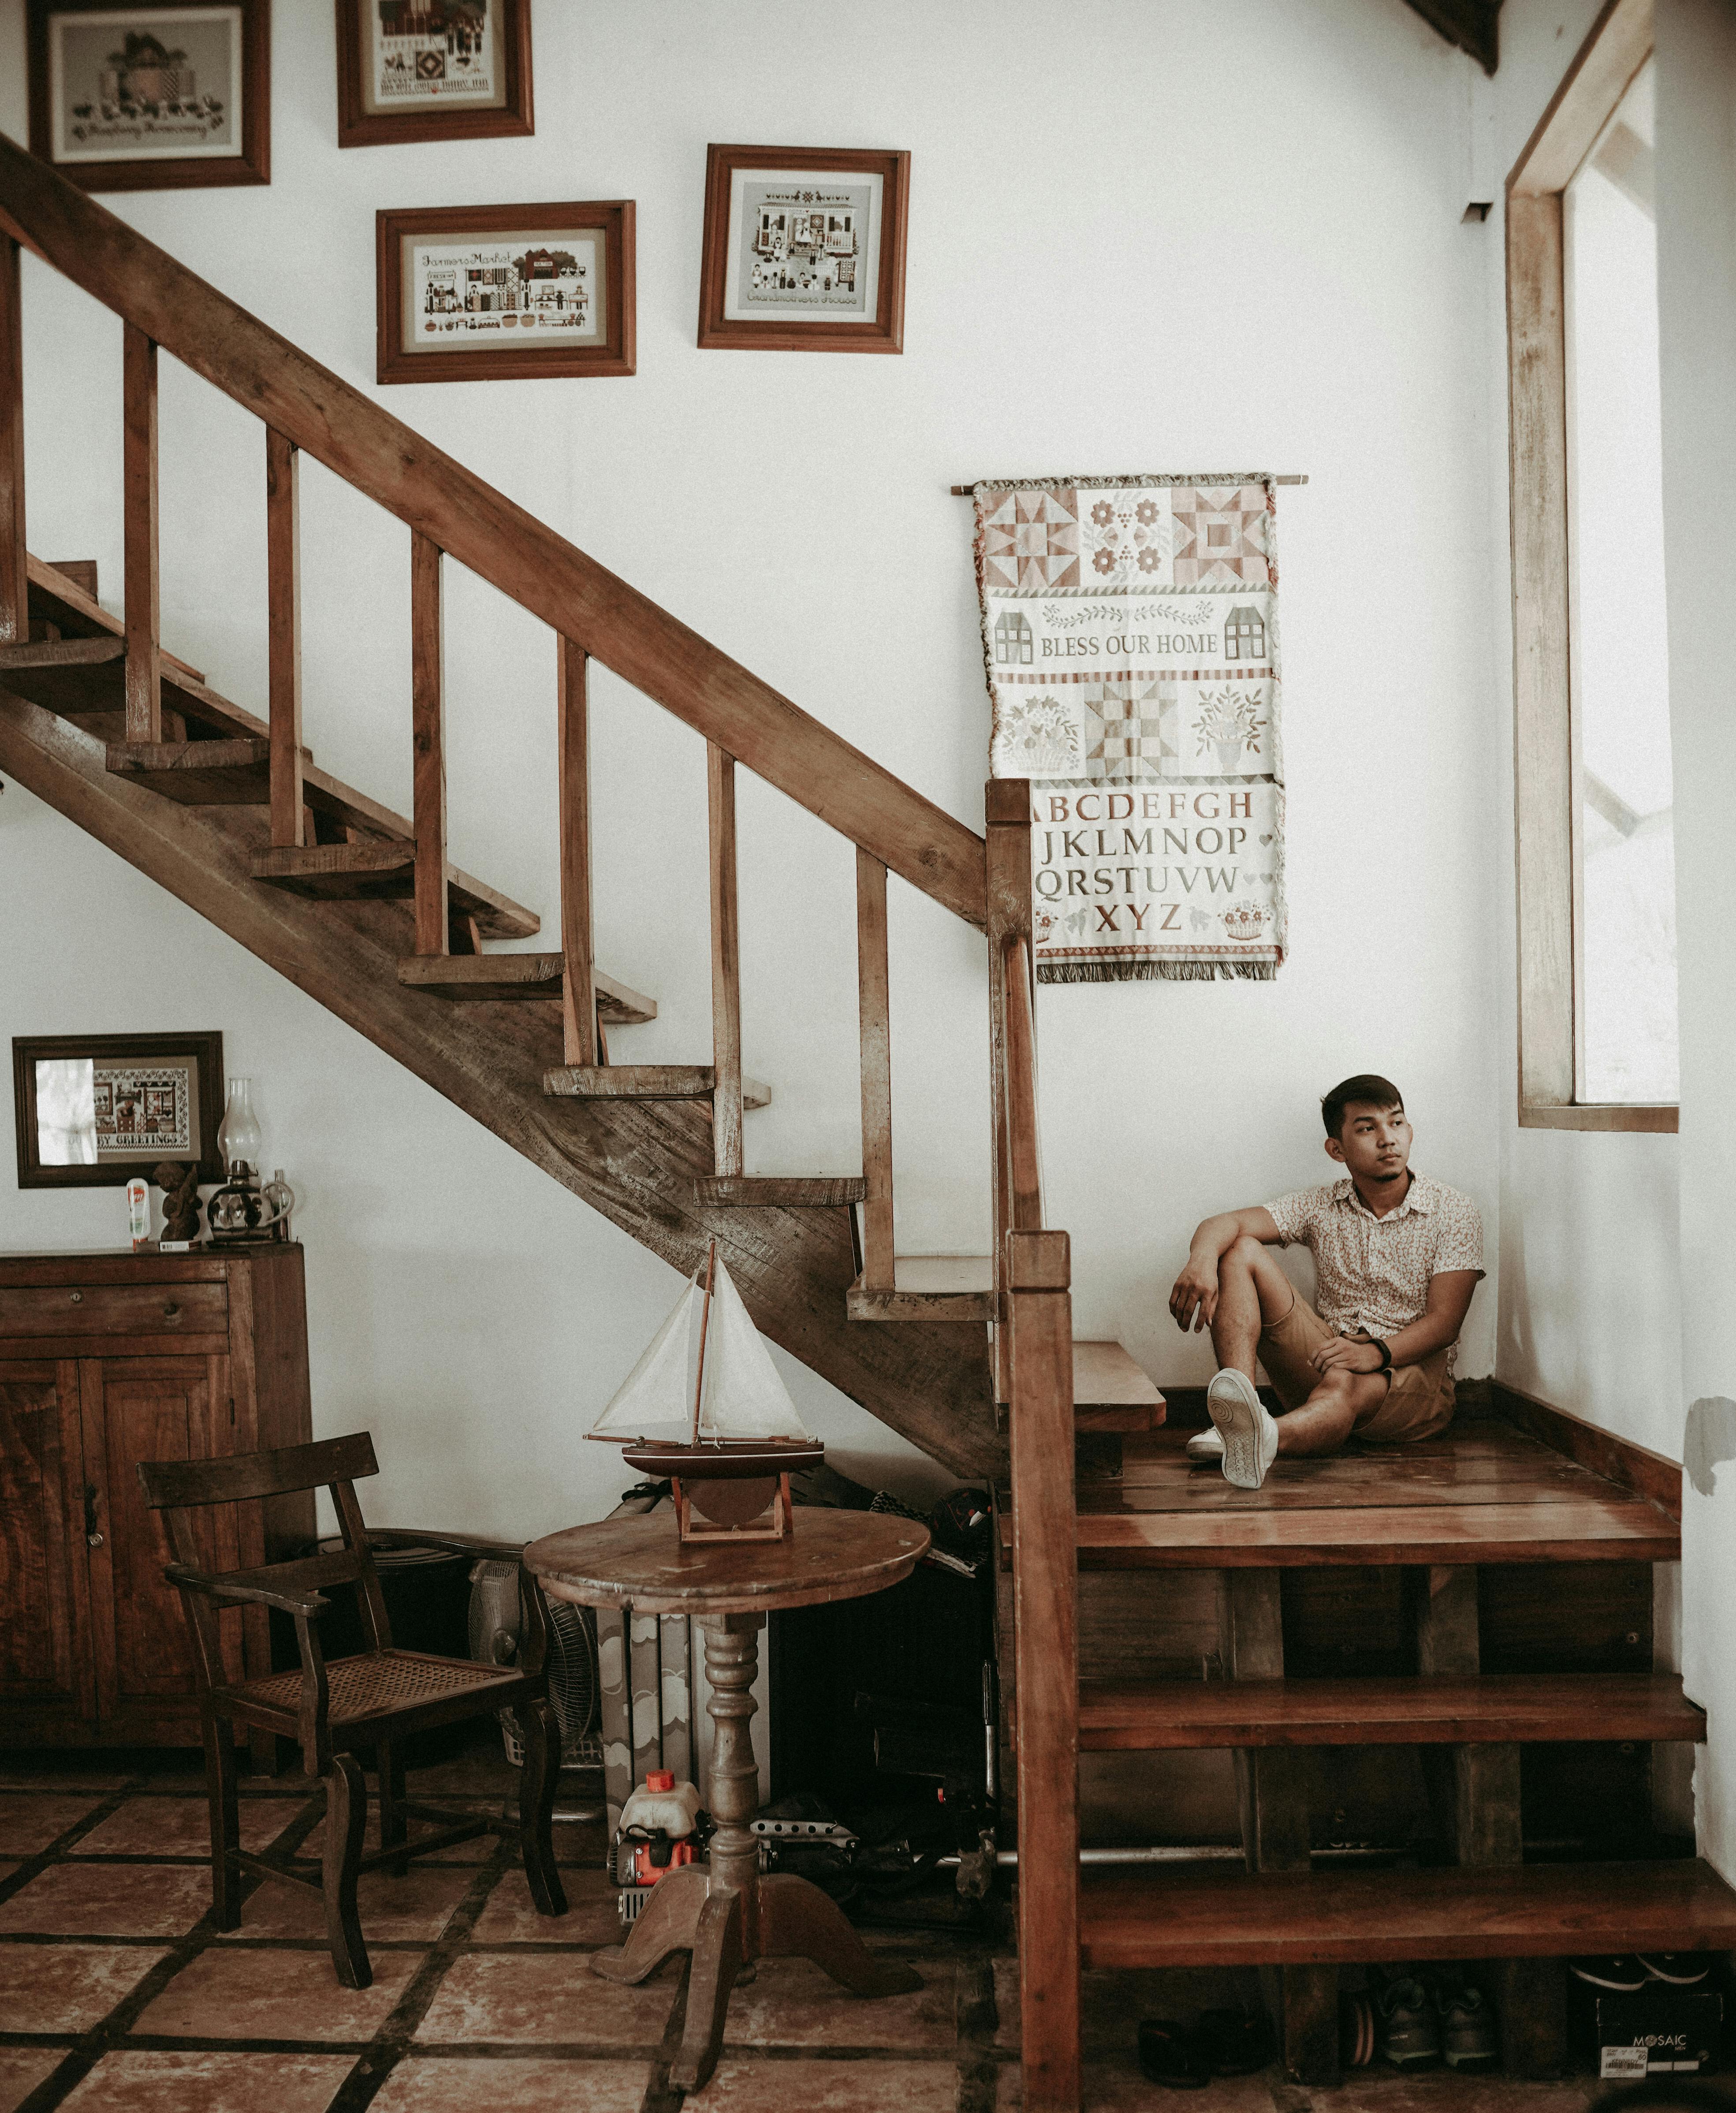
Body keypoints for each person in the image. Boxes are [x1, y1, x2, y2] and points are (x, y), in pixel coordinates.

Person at [1168, 1073, 1483, 1490]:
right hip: (1328, 1357)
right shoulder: (1322, 1205)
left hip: (1411, 1379)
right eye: (1368, 1128)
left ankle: (1260, 1438)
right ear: (1337, 1149)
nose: (1388, 1139)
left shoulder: (1454, 1210)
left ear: (1410, 1131)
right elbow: (1225, 1223)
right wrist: (1202, 1259)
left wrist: (1376, 1353)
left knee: (1344, 1382)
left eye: (1397, 1123)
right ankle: (1240, 1415)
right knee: (1239, 1248)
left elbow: (1446, 1323)